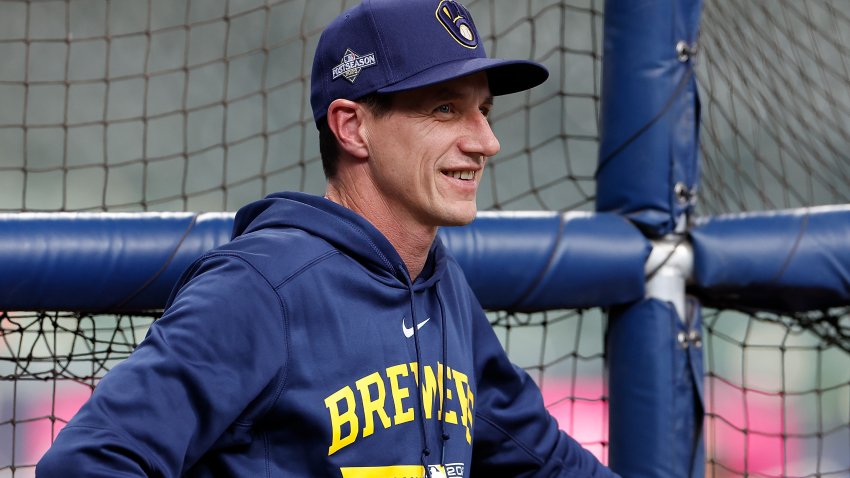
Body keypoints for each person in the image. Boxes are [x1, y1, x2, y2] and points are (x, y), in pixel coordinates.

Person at [37, 0, 620, 476]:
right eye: (445, 110)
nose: (486, 142)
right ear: (352, 127)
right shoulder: (262, 286)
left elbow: (542, 459)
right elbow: (89, 462)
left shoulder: (442, 286)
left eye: (484, 111)